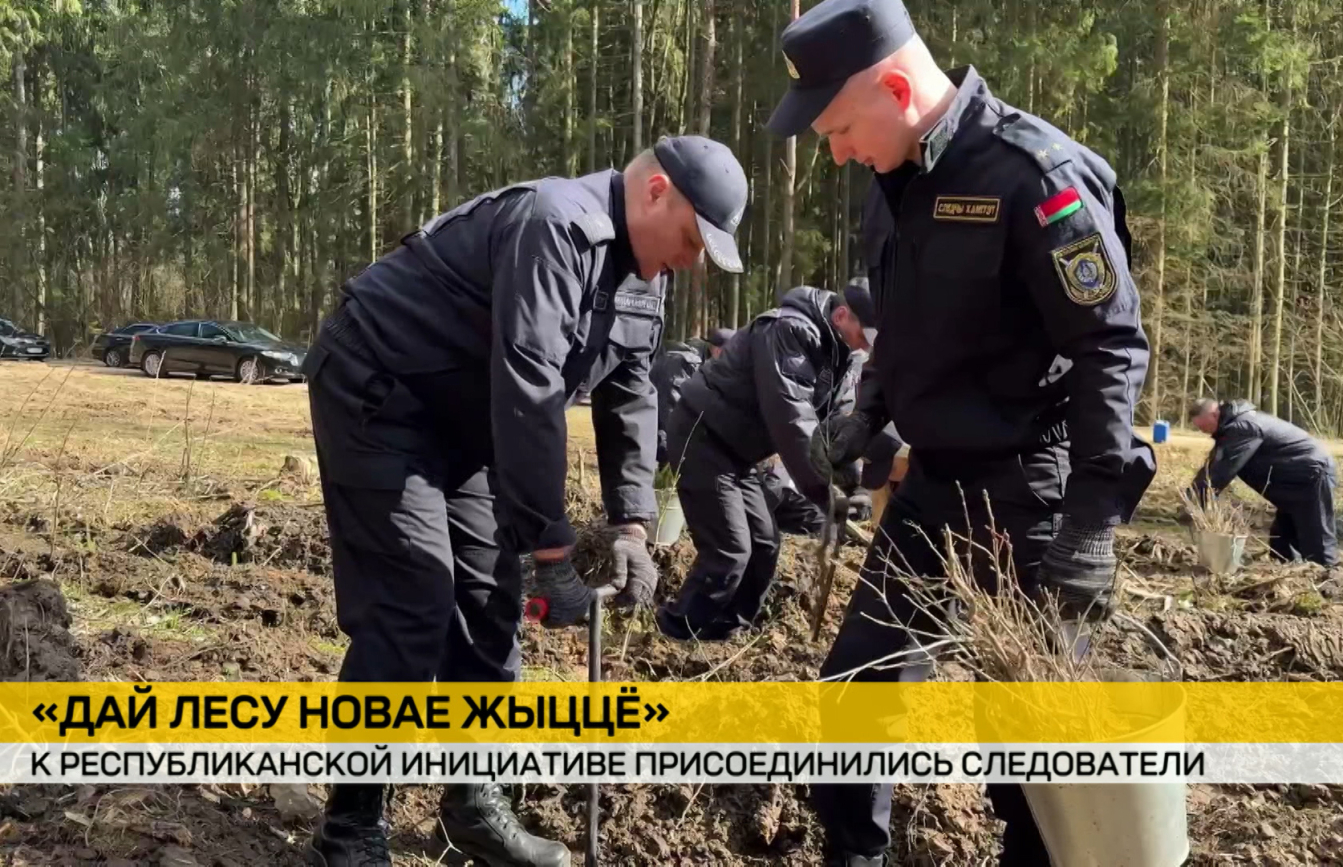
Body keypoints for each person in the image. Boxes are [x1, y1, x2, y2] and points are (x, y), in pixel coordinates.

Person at [766, 1, 1156, 865]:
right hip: (930, 484)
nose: (837, 153)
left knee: (1025, 740)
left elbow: (1108, 345)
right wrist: (865, 414)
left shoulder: (1035, 176)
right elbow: (904, 327)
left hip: (1027, 491)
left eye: (839, 129)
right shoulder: (891, 184)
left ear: (895, 88)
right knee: (852, 693)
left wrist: (1091, 522)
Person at [300, 134, 748, 867]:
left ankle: (471, 807)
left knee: (489, 604)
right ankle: (349, 828)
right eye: (692, 239)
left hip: (464, 420)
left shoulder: (645, 274)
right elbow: (530, 385)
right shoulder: (554, 225)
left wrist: (631, 523)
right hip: (381, 393)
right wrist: (551, 546)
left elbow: (630, 394)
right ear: (656, 191)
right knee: (413, 602)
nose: (691, 261)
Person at [656, 282, 878, 641]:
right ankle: (676, 632)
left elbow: (837, 426)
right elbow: (792, 418)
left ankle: (726, 632)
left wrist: (853, 486)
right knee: (729, 550)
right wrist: (825, 491)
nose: (866, 346)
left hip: (741, 453)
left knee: (764, 545)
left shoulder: (845, 355)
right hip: (704, 436)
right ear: (841, 316)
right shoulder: (787, 332)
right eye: (864, 336)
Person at [1188, 398, 1339, 567]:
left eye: (1202, 427)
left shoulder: (1243, 428)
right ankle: (1291, 574)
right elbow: (1213, 466)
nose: (1203, 432)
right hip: (1292, 480)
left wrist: (1198, 500)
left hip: (1310, 475)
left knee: (1316, 537)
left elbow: (1222, 470)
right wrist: (1192, 495)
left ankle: (1327, 575)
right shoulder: (1232, 428)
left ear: (1214, 415)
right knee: (1282, 542)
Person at [650, 327, 735, 467]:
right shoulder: (684, 363)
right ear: (718, 351)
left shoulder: (710, 363)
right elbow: (670, 411)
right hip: (654, 427)